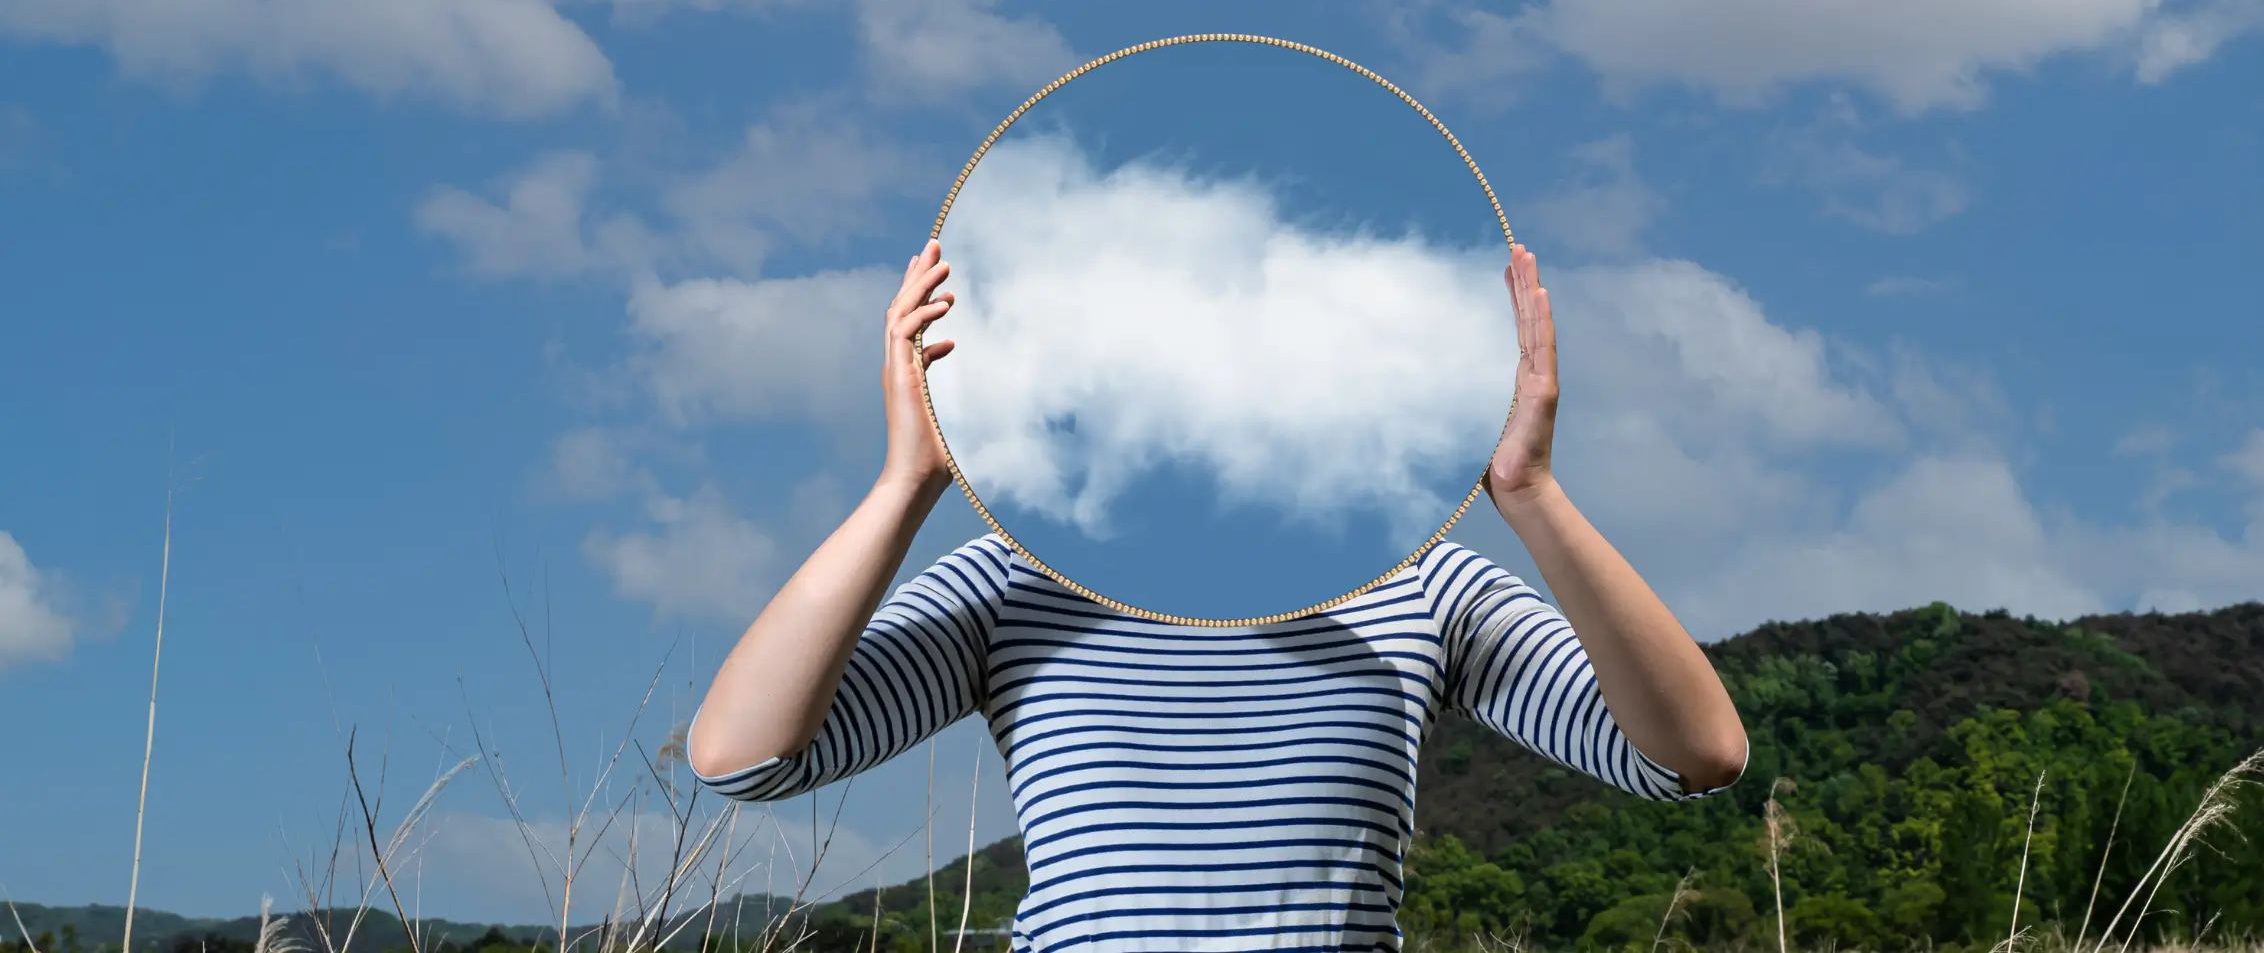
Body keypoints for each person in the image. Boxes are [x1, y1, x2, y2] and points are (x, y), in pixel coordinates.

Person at [687, 239, 1750, 953]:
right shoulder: (1020, 575)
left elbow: (1691, 756)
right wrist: (907, 482)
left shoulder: (1419, 579)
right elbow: (744, 755)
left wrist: (1529, 492)